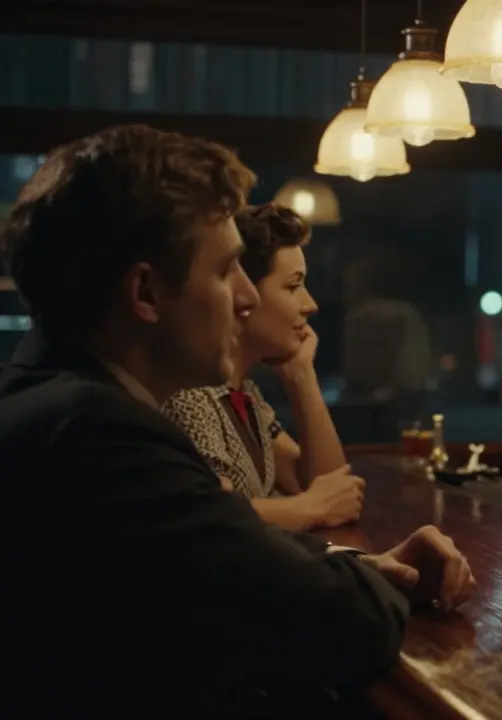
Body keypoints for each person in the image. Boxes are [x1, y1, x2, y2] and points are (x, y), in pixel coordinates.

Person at [0, 124, 476, 716]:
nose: (247, 298)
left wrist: (361, 565)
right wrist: (377, 584)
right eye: (226, 270)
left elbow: (227, 549)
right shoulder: (98, 434)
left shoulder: (45, 397)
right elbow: (345, 622)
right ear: (145, 292)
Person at [162, 202, 365, 531]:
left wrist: (301, 376)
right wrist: (311, 508)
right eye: (293, 286)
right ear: (242, 293)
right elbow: (211, 516)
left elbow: (332, 489)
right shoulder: (192, 396)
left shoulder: (246, 396)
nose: (310, 305)